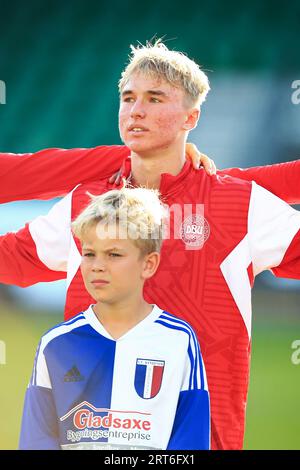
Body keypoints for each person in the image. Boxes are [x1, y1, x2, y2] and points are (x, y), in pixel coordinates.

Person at [1, 40, 300, 450]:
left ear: (191, 117)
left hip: (196, 435)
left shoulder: (240, 203)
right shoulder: (86, 202)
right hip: (89, 433)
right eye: (128, 98)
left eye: (155, 98)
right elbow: (13, 258)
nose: (135, 110)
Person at [19, 188, 210, 450]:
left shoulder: (179, 340)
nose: (97, 265)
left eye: (114, 254)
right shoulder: (56, 343)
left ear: (148, 264)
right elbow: (36, 439)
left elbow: (191, 438)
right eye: (89, 254)